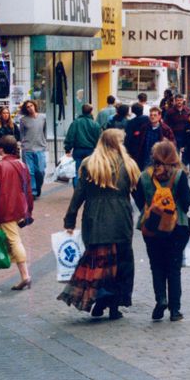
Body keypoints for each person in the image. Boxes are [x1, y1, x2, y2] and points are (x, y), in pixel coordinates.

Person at [59, 130, 140, 320]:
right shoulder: (128, 164)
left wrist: (69, 220)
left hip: (94, 218)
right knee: (121, 263)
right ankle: (114, 306)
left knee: (99, 262)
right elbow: (139, 194)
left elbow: (79, 194)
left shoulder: (90, 164)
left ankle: (99, 299)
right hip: (121, 218)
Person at [134, 140, 190, 321]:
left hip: (151, 226)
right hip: (177, 226)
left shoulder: (145, 176)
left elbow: (137, 198)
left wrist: (150, 210)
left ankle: (160, 299)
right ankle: (175, 310)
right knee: (174, 267)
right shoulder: (178, 175)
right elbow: (188, 201)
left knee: (156, 265)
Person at [0, 136, 34, 290]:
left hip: (5, 210)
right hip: (18, 208)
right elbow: (28, 190)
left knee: (12, 240)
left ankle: (25, 275)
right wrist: (28, 211)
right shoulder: (22, 165)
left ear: (1, 148)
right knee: (4, 240)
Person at [64, 103, 102, 188]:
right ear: (91, 112)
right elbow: (99, 138)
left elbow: (70, 136)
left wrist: (68, 148)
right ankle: (89, 189)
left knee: (78, 171)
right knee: (91, 171)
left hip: (78, 150)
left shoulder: (75, 123)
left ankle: (77, 190)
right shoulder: (95, 124)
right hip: (91, 151)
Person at [18, 100, 49, 197]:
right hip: (27, 149)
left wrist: (44, 142)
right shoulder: (23, 120)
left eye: (31, 105)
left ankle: (38, 186)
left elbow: (45, 131)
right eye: (27, 107)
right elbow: (21, 134)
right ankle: (33, 192)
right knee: (30, 172)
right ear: (25, 109)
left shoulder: (43, 117)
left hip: (40, 148)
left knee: (40, 170)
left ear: (34, 106)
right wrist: (22, 144)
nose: (30, 108)